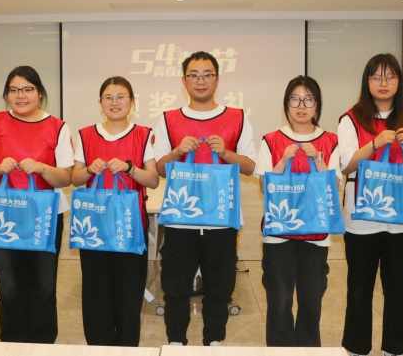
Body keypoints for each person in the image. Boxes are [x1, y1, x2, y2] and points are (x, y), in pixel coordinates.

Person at [153, 51, 257, 346]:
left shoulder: (237, 117)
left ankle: (214, 343)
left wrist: (226, 153)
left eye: (207, 74)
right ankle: (176, 343)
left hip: (222, 220)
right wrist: (176, 152)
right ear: (184, 80)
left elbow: (251, 166)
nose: (201, 81)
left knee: (220, 289)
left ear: (217, 79)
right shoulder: (168, 119)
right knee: (175, 288)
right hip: (180, 221)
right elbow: (159, 170)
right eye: (194, 75)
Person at [338, 54, 403, 356]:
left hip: (401, 218)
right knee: (359, 288)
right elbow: (346, 165)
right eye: (376, 77)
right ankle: (357, 348)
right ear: (367, 81)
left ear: (399, 81)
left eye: (390, 76)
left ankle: (394, 349)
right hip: (361, 219)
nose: (383, 83)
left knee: (396, 289)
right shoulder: (351, 118)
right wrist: (375, 143)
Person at [0, 65, 73, 343]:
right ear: (6, 94)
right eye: (14, 90)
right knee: (9, 289)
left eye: (28, 89)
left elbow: (65, 177)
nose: (21, 96)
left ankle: (43, 345)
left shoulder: (58, 127)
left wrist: (42, 168)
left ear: (39, 93)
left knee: (43, 287)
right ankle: (12, 345)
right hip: (2, 216)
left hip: (44, 216)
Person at [71, 76, 159, 346]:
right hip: (94, 229)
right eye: (108, 97)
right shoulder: (86, 134)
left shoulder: (143, 134)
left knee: (129, 296)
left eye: (121, 97)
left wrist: (130, 169)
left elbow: (153, 180)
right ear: (100, 103)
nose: (115, 102)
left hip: (130, 228)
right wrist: (89, 169)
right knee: (96, 295)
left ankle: (127, 348)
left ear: (132, 102)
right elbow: (74, 178)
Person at [254, 75, 339, 347]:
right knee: (279, 302)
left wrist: (318, 159)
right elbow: (264, 186)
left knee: (311, 301)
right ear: (286, 104)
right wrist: (282, 160)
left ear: (317, 105)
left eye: (308, 99)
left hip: (316, 233)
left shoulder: (331, 141)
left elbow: (333, 187)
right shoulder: (271, 140)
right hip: (278, 234)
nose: (301, 106)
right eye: (295, 99)